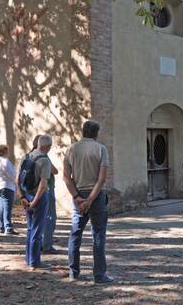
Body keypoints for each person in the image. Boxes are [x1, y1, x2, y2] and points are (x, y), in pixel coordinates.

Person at [63, 120, 114, 284]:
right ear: (96, 133)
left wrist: (78, 198)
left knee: (75, 234)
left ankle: (73, 272)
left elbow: (66, 177)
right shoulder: (101, 149)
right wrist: (90, 199)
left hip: (78, 195)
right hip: (96, 196)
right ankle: (99, 275)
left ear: (83, 131)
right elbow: (102, 179)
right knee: (98, 235)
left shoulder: (71, 149)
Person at [19, 135, 52, 270]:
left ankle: (28, 258)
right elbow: (43, 184)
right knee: (37, 230)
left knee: (30, 228)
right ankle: (35, 261)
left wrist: (22, 197)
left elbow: (18, 179)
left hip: (27, 194)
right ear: (48, 147)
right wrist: (35, 201)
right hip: (39, 197)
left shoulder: (26, 157)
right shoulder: (45, 160)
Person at [0, 144, 18, 235]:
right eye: (7, 150)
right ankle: (8, 227)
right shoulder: (5, 161)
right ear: (4, 151)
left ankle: (2, 227)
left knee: (3, 207)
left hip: (1, 186)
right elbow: (12, 175)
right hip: (7, 186)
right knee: (7, 207)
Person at [42, 159, 59, 254]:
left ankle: (40, 243)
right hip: (48, 188)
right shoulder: (44, 158)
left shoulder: (29, 157)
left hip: (35, 191)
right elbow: (55, 171)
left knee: (39, 218)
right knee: (50, 217)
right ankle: (47, 245)